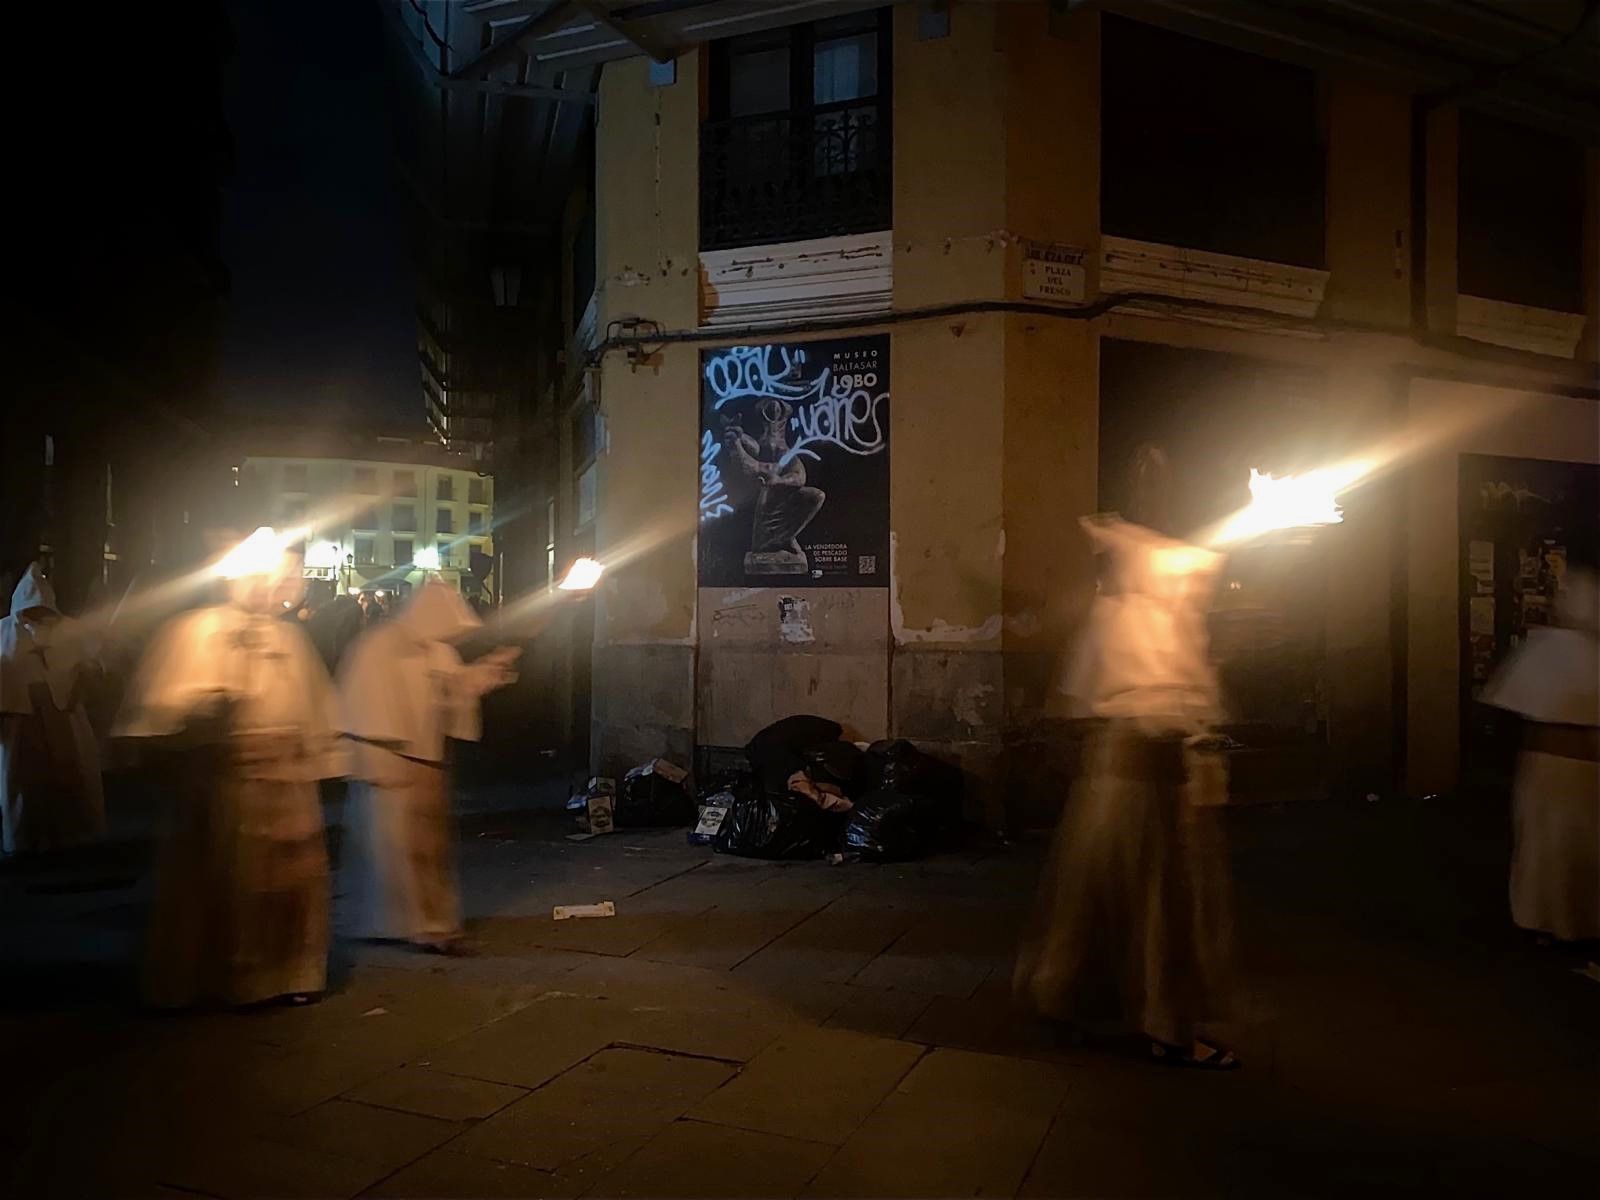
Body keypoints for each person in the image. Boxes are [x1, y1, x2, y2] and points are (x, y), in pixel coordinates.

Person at [1014, 446, 1239, 1069]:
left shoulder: (1150, 581)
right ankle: (1165, 1026)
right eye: (1143, 470)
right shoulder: (1151, 577)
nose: (1152, 481)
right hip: (1139, 761)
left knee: (1109, 892)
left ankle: (1077, 999)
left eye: (1162, 471)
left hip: (1125, 764)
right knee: (1157, 898)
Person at [114, 534, 345, 1007]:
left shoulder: (290, 638)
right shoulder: (194, 631)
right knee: (220, 878)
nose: (264, 589)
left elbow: (316, 709)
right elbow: (159, 708)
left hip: (283, 780)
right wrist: (201, 711)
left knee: (285, 885)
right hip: (221, 781)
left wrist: (317, 756)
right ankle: (216, 978)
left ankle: (286, 975)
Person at [336, 582, 519, 954]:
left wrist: (492, 667)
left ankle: (431, 923)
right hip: (389, 762)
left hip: (427, 761)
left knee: (425, 850)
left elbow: (457, 689)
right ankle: (405, 924)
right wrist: (377, 759)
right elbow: (364, 706)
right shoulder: (379, 645)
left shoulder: (436, 650)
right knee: (393, 848)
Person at [1482, 565, 1599, 944]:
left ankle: (1542, 922)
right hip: (1582, 767)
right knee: (1576, 846)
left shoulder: (1543, 649)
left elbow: (1513, 712)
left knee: (1546, 847)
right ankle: (1577, 923)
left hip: (1546, 763)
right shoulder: (1588, 653)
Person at [0, 563, 106, 855]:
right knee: (24, 783)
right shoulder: (3, 632)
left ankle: (70, 840)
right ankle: (26, 844)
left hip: (63, 714)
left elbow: (94, 664)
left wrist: (85, 675)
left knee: (68, 775)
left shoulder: (69, 630)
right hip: (19, 720)